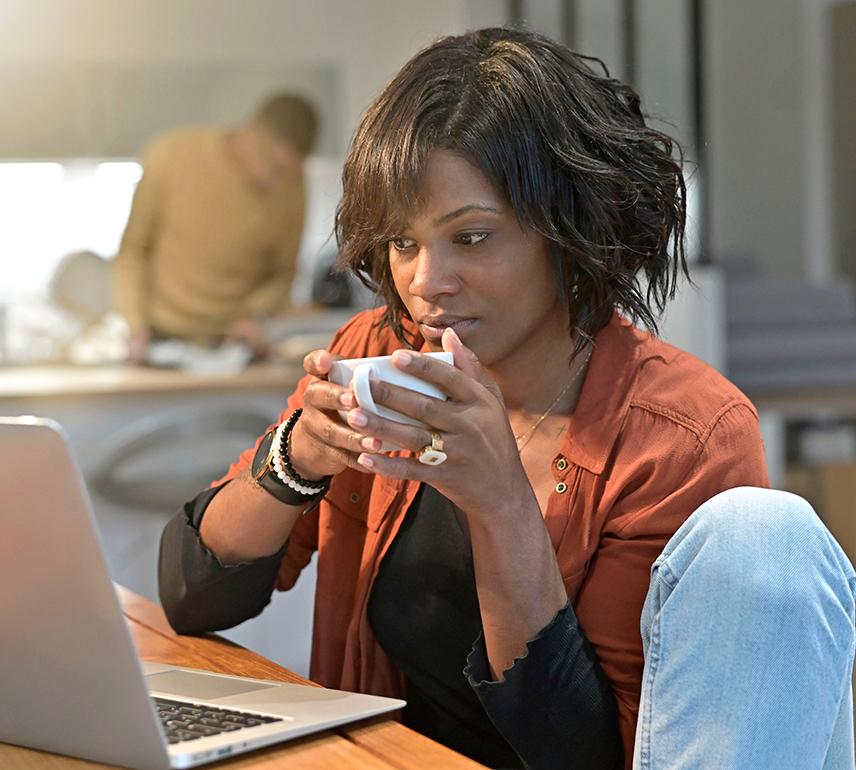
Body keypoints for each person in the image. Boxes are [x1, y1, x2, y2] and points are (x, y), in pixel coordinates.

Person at [156, 28, 856, 770]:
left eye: (473, 237)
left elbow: (592, 752)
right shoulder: (376, 353)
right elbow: (192, 598)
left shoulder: (682, 434)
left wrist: (500, 502)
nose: (427, 281)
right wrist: (297, 456)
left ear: (569, 230)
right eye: (402, 243)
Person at [113, 93, 319, 362]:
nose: (276, 184)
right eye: (274, 168)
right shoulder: (171, 155)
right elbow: (133, 249)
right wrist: (134, 324)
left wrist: (256, 316)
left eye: (287, 171)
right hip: (159, 337)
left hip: (235, 342)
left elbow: (282, 273)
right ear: (250, 134)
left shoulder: (293, 183)